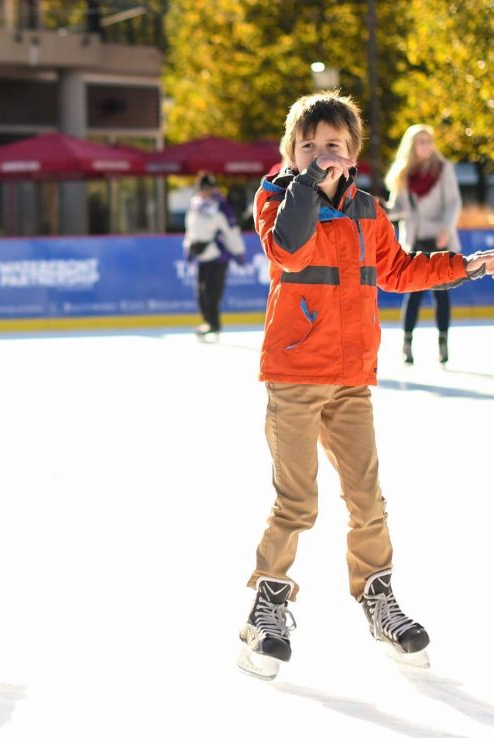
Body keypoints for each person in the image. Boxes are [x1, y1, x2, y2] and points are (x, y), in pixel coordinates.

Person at [236, 91, 494, 680]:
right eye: (309, 146)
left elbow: (399, 272)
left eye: (334, 145)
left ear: (353, 154)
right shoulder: (275, 199)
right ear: (290, 152)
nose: (322, 154)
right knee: (297, 503)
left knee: (368, 501)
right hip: (295, 376)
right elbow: (290, 252)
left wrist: (467, 264)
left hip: (351, 380)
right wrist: (303, 184)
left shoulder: (369, 211)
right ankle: (266, 609)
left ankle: (378, 600)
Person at [385, 124, 464, 364]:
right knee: (414, 295)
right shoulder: (403, 173)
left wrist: (446, 229)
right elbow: (398, 208)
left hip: (440, 238)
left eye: (429, 141)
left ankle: (443, 344)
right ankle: (407, 344)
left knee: (442, 295)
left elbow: (453, 203)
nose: (426, 146)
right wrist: (383, 209)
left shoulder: (443, 169)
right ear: (412, 145)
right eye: (421, 142)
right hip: (415, 239)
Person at [182, 172, 246, 339]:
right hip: (201, 256)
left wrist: (238, 251)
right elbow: (191, 230)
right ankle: (207, 322)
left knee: (213, 293)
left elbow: (231, 232)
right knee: (201, 294)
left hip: (218, 256)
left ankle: (214, 324)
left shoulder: (221, 207)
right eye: (203, 189)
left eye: (209, 189)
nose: (206, 192)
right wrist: (188, 248)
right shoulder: (195, 206)